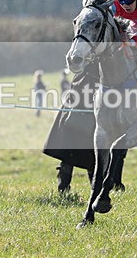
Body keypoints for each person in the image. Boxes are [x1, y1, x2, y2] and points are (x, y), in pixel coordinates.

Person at [43, 61, 127, 193]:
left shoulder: (105, 65)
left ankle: (96, 190)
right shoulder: (87, 67)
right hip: (77, 117)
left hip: (92, 118)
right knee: (69, 156)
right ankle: (64, 190)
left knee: (92, 157)